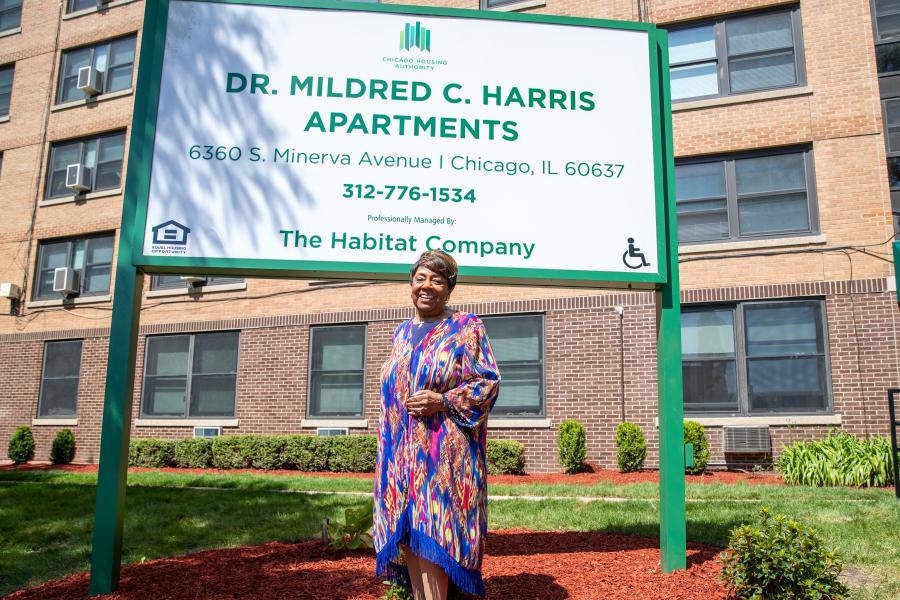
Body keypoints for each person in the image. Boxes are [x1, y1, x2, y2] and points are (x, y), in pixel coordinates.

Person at [374, 250, 500, 600]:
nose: (426, 286)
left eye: (437, 280)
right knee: (413, 536)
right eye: (420, 278)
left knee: (436, 533)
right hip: (400, 459)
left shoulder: (466, 327)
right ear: (410, 283)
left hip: (444, 457)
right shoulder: (401, 332)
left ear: (449, 288)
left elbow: (487, 383)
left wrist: (442, 401)